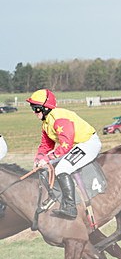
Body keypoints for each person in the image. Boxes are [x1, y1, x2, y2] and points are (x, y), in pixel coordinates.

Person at [27, 89, 101, 219]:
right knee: (46, 168)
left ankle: (71, 208)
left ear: (45, 108)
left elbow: (66, 144)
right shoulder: (46, 123)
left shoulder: (59, 118)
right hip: (76, 146)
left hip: (88, 143)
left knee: (62, 169)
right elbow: (46, 145)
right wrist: (38, 159)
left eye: (36, 109)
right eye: (32, 108)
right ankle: (56, 198)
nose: (34, 112)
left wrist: (48, 158)